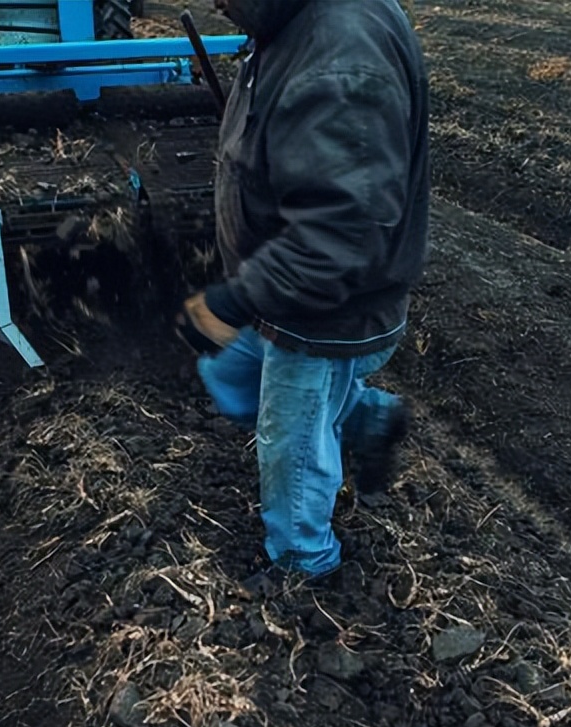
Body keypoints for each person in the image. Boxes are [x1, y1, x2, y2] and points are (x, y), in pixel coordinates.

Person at [178, 0, 431, 586]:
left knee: (289, 449)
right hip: (289, 292)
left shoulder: (340, 57)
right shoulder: (290, 22)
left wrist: (233, 301)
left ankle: (304, 569)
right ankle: (368, 417)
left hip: (323, 312)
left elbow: (340, 235)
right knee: (230, 377)